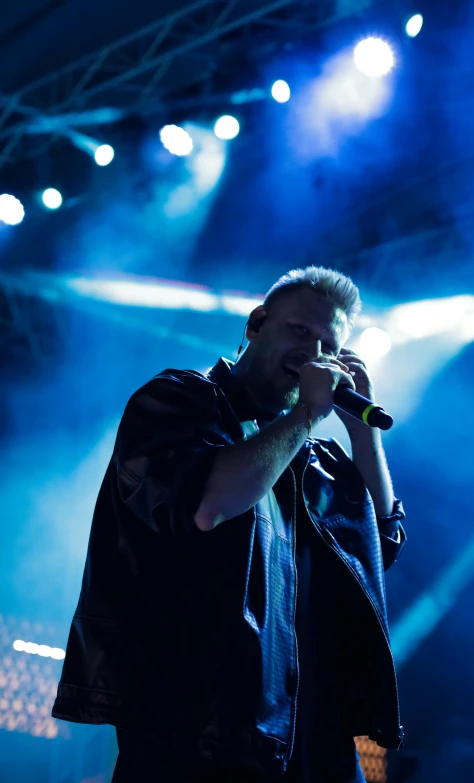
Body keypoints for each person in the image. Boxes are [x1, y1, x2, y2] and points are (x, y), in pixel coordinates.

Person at [52, 266, 406, 782]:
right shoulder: (179, 401)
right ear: (257, 323)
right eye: (299, 332)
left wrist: (363, 438)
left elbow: (380, 547)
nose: (312, 354)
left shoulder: (317, 458)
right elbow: (208, 503)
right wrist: (306, 414)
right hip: (197, 735)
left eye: (327, 346)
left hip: (312, 742)